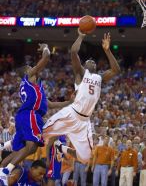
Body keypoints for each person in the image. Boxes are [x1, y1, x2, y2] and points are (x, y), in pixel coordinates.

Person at [43, 29, 120, 164]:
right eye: (89, 60)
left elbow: (116, 70)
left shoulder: (99, 77)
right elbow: (73, 52)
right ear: (84, 65)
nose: (92, 61)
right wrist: (80, 36)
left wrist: (107, 51)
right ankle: (10, 146)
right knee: (41, 135)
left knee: (85, 159)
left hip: (84, 122)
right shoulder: (80, 73)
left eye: (94, 61)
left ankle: (61, 147)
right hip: (71, 113)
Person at [0, 44, 73, 185]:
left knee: (22, 150)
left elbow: (51, 104)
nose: (33, 68)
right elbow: (46, 58)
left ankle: (2, 169)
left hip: (25, 116)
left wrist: (70, 102)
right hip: (30, 115)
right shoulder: (28, 77)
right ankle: (5, 172)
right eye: (30, 67)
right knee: (31, 146)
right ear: (28, 71)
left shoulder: (35, 88)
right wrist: (46, 48)